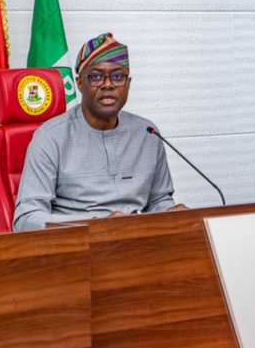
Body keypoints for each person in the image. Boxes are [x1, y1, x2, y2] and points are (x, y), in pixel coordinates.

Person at [13, 33, 182, 231]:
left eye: (118, 77)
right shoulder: (50, 137)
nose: (108, 84)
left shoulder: (148, 134)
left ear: (128, 84)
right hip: (77, 244)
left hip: (137, 241)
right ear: (79, 83)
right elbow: (26, 219)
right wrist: (97, 225)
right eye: (96, 77)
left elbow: (158, 200)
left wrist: (172, 212)